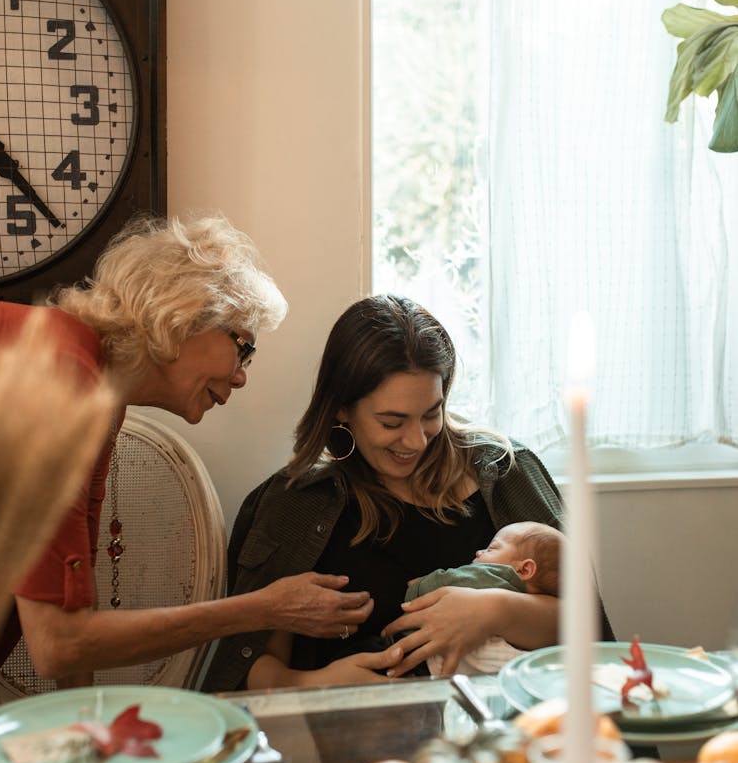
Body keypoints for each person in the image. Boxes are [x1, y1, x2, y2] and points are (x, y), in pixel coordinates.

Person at [0, 215, 375, 688]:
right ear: (185, 315)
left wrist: (91, 740)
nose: (241, 377)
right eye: (243, 348)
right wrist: (263, 609)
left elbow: (74, 611)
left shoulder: (101, 402)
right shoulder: (64, 380)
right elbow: (58, 644)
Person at [203, 295, 613, 693]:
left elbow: (586, 627)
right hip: (358, 742)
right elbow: (248, 666)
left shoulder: (505, 474)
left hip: (504, 740)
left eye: (431, 414)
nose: (416, 441)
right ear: (342, 408)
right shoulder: (297, 503)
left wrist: (494, 611)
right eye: (391, 421)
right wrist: (316, 684)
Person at [405, 520, 564, 677]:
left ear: (524, 569)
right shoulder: (534, 612)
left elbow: (452, 579)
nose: (479, 552)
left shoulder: (495, 575)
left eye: (492, 548)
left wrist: (420, 585)